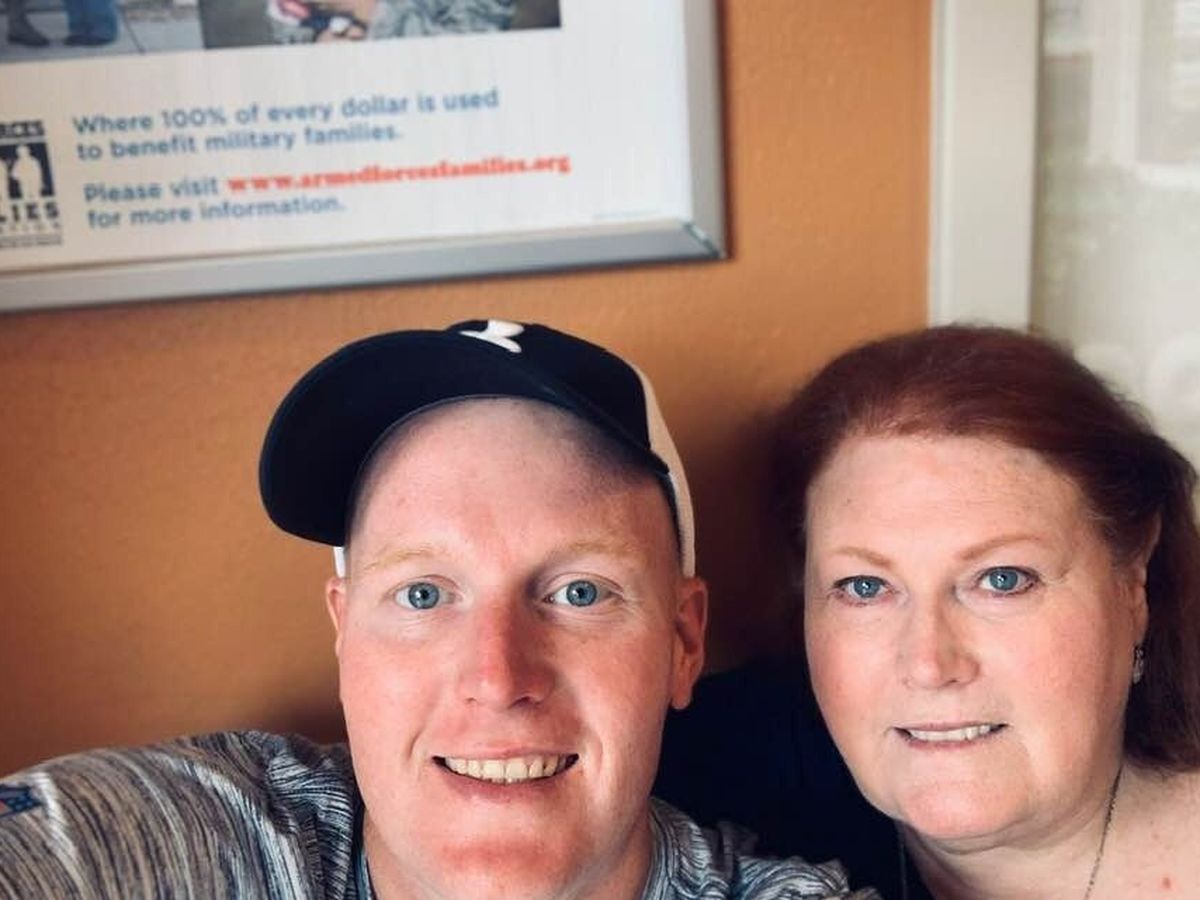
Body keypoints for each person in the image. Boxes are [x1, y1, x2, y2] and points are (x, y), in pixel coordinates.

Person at [0, 319, 872, 899]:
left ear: (682, 642)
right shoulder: (206, 843)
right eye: (423, 594)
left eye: (578, 592)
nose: (497, 677)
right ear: (344, 632)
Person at [770, 324, 1200, 898]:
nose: (929, 664)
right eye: (866, 587)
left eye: (1002, 580)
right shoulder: (723, 800)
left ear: (1133, 580)